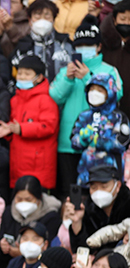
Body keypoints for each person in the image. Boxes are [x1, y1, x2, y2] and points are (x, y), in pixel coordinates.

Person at [51, 15, 124, 196]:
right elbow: (55, 96)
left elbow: (115, 96)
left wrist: (87, 77)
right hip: (68, 143)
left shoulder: (108, 70)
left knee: (95, 189)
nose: (83, 49)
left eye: (89, 45)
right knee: (71, 192)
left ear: (99, 47)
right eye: (79, 46)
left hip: (98, 144)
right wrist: (67, 78)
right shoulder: (66, 70)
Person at [0, 55, 59, 191]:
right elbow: (14, 126)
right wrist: (8, 131)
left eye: (27, 73)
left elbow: (48, 126)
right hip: (18, 164)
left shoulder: (46, 99)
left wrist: (21, 129)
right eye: (19, 73)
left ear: (39, 77)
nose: (22, 77)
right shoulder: (15, 100)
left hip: (39, 167)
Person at [0, 175, 61, 268]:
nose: (23, 203)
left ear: (39, 198)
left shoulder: (51, 216)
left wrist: (25, 253)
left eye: (29, 199)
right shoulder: (9, 212)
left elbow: (52, 249)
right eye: (19, 199)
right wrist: (1, 246)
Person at [71, 73, 129, 186]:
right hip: (86, 175)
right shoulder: (84, 116)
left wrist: (98, 141)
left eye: (100, 90)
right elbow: (74, 141)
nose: (94, 93)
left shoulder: (118, 117)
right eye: (91, 89)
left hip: (111, 176)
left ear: (110, 92)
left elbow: (122, 143)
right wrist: (82, 139)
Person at [65, 164, 130, 251]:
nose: (99, 192)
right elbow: (82, 249)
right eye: (94, 187)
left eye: (104, 187)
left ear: (117, 186)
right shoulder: (89, 209)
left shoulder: (127, 204)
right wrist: (77, 222)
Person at [10, 0, 73, 82]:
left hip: (62, 92)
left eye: (47, 16)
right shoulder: (22, 46)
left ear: (54, 19)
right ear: (30, 20)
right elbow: (13, 75)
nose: (42, 20)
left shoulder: (65, 43)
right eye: (37, 16)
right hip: (31, 93)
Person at [100, 0, 130, 117]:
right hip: (105, 107)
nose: (127, 23)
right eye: (123, 19)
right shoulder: (103, 42)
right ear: (114, 20)